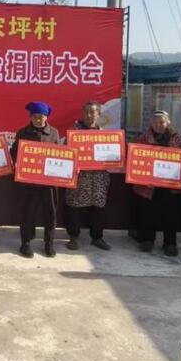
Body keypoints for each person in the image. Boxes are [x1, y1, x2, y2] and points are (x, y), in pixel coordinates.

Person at [12, 101, 62, 259]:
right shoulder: (23, 132)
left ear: (46, 117)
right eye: (34, 117)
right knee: (28, 212)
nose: (38, 120)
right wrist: (15, 161)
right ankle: (25, 243)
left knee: (50, 213)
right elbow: (14, 152)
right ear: (30, 117)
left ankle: (49, 243)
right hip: (28, 181)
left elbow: (61, 154)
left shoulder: (54, 133)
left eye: (41, 117)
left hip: (49, 182)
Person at [132, 110, 181, 257]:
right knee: (148, 214)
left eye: (162, 122)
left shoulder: (177, 139)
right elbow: (136, 159)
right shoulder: (143, 138)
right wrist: (144, 178)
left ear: (168, 123)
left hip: (170, 185)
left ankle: (170, 243)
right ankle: (147, 240)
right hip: (148, 185)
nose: (159, 125)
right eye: (156, 122)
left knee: (171, 215)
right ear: (151, 123)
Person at [64, 101, 112, 252]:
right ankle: (73, 237)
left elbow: (111, 156)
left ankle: (97, 237)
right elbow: (65, 153)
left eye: (93, 112)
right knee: (74, 208)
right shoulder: (73, 132)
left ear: (98, 114)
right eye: (87, 112)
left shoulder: (105, 134)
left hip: (98, 178)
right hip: (79, 177)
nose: (89, 115)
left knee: (98, 208)